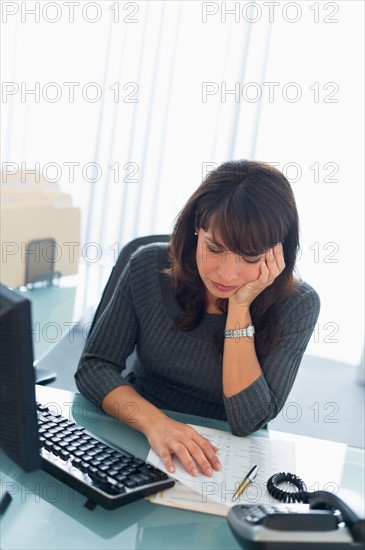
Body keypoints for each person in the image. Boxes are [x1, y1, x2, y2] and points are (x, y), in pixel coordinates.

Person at [75, 160, 320, 479]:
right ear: (196, 228)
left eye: (249, 258)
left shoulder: (298, 305)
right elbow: (95, 368)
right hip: (136, 430)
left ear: (278, 252)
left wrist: (239, 309)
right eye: (214, 248)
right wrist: (156, 424)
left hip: (222, 459)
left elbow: (248, 421)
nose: (227, 273)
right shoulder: (148, 266)